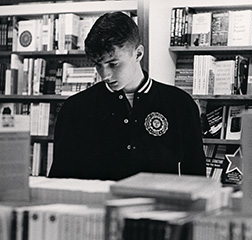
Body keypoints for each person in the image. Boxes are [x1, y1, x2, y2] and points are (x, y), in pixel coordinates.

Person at [48, 11, 206, 181]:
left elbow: (196, 178)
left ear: (138, 54)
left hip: (160, 206)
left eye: (113, 64)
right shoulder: (74, 109)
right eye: (98, 65)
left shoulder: (180, 104)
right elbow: (60, 181)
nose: (104, 74)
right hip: (97, 206)